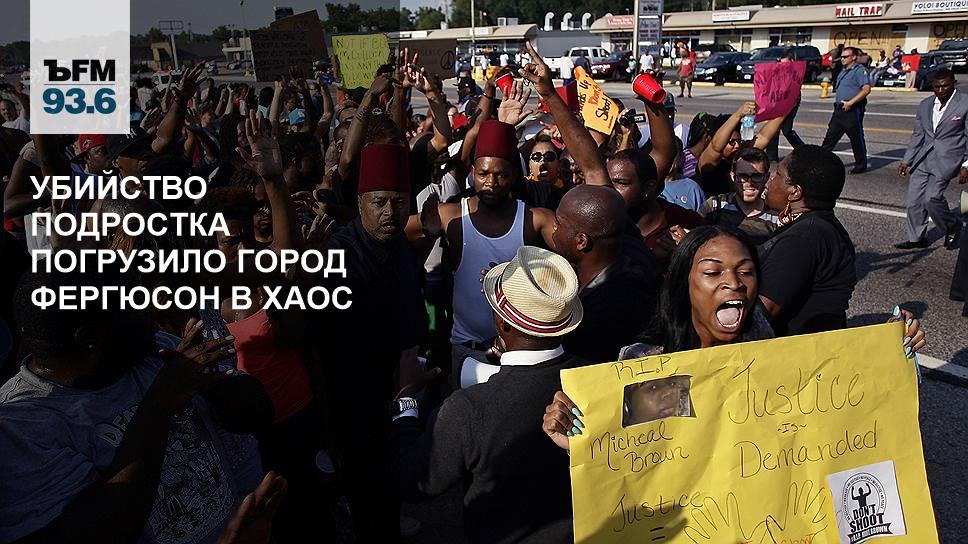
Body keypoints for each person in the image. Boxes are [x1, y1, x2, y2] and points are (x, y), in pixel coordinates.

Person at [542, 225, 926, 446]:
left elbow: (831, 412)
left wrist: (886, 356)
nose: (734, 283)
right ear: (684, 285)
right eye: (713, 272)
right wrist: (577, 438)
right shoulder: (648, 363)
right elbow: (627, 451)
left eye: (745, 272)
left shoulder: (765, 344)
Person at [0, 267, 274, 543]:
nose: (151, 308)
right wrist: (160, 403)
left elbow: (259, 415)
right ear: (89, 337)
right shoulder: (22, 424)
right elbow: (101, 533)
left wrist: (208, 380)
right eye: (134, 302)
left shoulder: (151, 351)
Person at [394, 246, 586, 543]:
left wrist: (405, 399)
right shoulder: (596, 377)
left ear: (503, 323)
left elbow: (415, 482)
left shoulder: (469, 410)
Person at [411, 119, 556, 382]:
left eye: (501, 175)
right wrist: (425, 236)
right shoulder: (450, 216)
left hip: (519, 354)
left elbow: (576, 258)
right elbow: (390, 236)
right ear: (472, 173)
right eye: (483, 174)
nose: (491, 182)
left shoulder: (536, 219)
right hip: (466, 351)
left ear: (514, 175)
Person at [758, 145, 857, 336]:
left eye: (778, 174)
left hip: (796, 350)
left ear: (795, 191)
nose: (770, 178)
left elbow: (763, 311)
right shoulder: (823, 227)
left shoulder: (802, 240)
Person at [554, 185, 659, 362]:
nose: (553, 227)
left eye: (559, 223)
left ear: (581, 241)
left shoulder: (604, 314)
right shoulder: (630, 248)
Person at [896, 68, 967, 250]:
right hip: (923, 159)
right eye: (936, 87)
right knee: (914, 201)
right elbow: (918, 135)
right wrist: (907, 160)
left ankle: (952, 225)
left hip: (947, 159)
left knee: (931, 198)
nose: (940, 90)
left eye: (945, 86)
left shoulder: (964, 103)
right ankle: (917, 239)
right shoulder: (925, 104)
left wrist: (966, 164)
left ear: (953, 84)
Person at [699, 146, 778, 245]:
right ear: (733, 176)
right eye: (742, 176)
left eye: (756, 176)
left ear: (766, 177)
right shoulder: (715, 206)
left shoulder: (776, 218)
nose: (749, 183)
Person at [822, 46, 871, 174]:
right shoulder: (843, 71)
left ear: (853, 57)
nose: (842, 59)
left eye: (845, 57)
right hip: (839, 109)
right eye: (842, 57)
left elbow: (866, 89)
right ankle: (820, 163)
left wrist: (851, 102)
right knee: (829, 139)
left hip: (852, 110)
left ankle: (861, 164)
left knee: (856, 139)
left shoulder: (859, 71)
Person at [765, 53, 806, 162]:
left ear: (792, 61)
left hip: (790, 104)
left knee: (787, 130)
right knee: (774, 130)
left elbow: (795, 92)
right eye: (781, 63)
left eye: (785, 63)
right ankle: (771, 157)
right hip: (778, 103)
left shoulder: (795, 74)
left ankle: (803, 150)